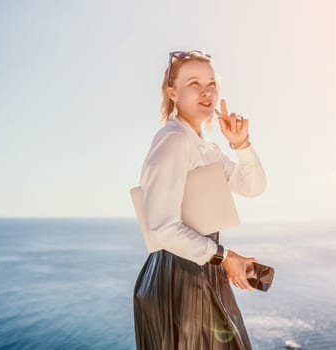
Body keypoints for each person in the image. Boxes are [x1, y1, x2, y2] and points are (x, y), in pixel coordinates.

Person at [133, 50, 267, 350]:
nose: (206, 92)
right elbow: (163, 228)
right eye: (194, 83)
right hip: (178, 280)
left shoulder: (206, 148)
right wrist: (225, 257)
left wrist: (241, 144)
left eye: (211, 83)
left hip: (203, 268)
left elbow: (253, 186)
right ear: (173, 92)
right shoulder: (174, 140)